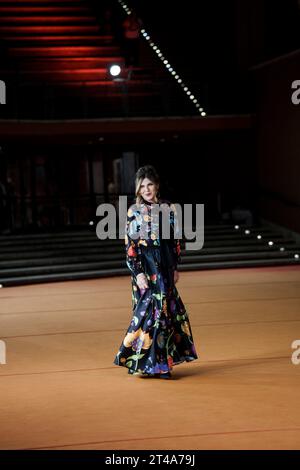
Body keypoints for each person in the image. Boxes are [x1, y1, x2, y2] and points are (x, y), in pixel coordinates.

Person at [113, 165, 198, 379]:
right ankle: (149, 363)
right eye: (143, 186)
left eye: (150, 184)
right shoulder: (134, 212)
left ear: (157, 185)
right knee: (149, 315)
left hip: (165, 266)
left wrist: (175, 265)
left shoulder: (169, 208)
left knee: (165, 314)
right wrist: (138, 273)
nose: (147, 189)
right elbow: (130, 244)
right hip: (146, 267)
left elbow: (176, 238)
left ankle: (159, 365)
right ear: (138, 190)